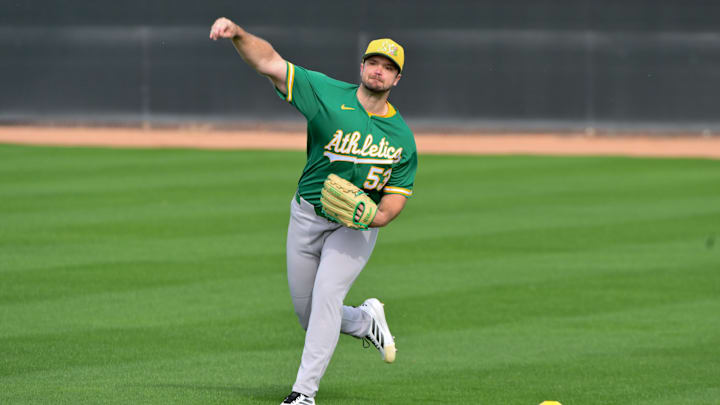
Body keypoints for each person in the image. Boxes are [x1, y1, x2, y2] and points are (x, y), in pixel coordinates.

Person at [210, 17, 418, 405]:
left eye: (389, 68)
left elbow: (394, 200)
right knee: (311, 317)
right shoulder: (325, 93)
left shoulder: (402, 138)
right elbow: (270, 62)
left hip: (353, 228)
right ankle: (364, 320)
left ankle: (303, 394)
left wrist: (374, 218)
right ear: (362, 67)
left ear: (397, 80)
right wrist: (238, 33)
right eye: (374, 62)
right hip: (306, 215)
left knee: (326, 297)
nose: (379, 70)